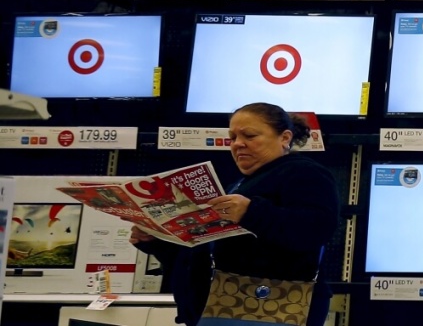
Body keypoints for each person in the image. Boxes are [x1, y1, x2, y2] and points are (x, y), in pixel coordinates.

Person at [131, 103, 341, 326]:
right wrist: (157, 240)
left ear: (284, 137)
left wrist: (251, 212)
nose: (238, 144)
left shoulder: (304, 172)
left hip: (268, 303)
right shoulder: (240, 183)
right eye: (232, 138)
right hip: (221, 302)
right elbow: (214, 247)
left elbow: (316, 229)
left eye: (250, 135)